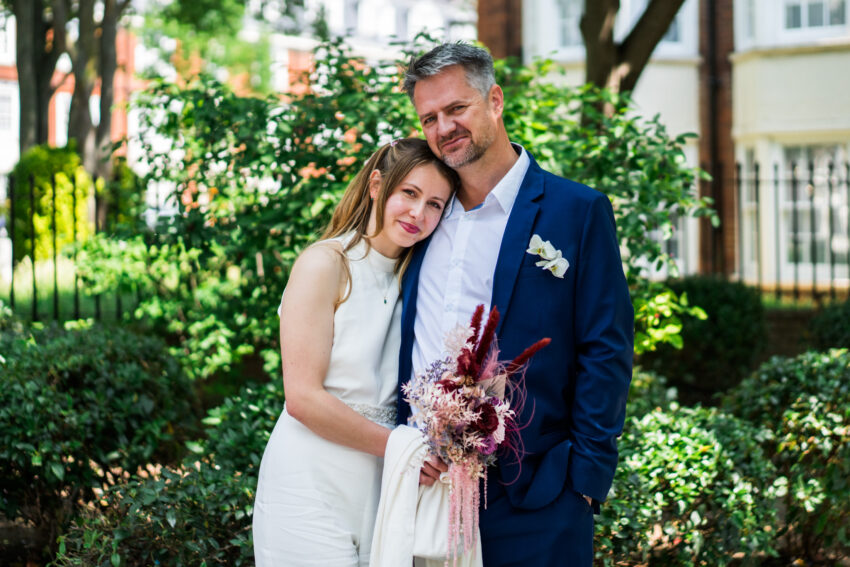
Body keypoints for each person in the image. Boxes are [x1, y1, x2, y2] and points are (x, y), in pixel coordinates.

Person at [396, 43, 634, 566]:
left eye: (456, 109)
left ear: (495, 101)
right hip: (422, 486)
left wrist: (586, 483)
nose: (443, 128)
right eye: (429, 118)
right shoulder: (421, 216)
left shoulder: (577, 210)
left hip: (537, 495)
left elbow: (606, 350)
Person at [253, 138, 459, 567]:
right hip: (308, 482)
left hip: (380, 489)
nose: (418, 214)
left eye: (436, 204)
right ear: (376, 185)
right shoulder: (326, 264)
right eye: (409, 193)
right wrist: (404, 450)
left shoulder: (419, 282)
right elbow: (303, 398)